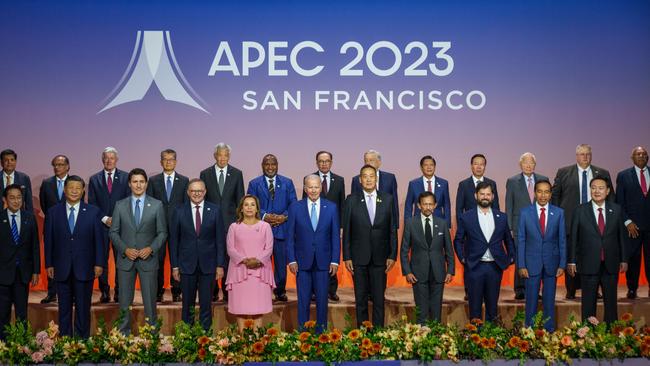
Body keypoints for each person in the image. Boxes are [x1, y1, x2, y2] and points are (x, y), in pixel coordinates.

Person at [44, 176, 104, 338]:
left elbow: (99, 240)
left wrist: (99, 263)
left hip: (85, 267)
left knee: (83, 307)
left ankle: (82, 341)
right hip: (61, 267)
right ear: (64, 190)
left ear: (83, 190)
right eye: (71, 187)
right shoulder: (53, 212)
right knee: (64, 307)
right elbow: (49, 240)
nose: (75, 191)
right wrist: (49, 264)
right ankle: (65, 340)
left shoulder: (93, 212)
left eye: (78, 188)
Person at [109, 168, 167, 334]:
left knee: (150, 301)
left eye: (141, 181)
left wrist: (151, 248)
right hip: (126, 261)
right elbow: (113, 232)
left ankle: (152, 335)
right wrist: (125, 249)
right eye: (135, 181)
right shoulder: (120, 205)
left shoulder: (156, 205)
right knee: (124, 302)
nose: (138, 185)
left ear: (146, 183)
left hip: (148, 260)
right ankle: (123, 335)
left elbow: (162, 232)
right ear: (129, 184)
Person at [552, 144, 613, 299]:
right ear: (576, 156)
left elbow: (611, 198)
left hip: (596, 222)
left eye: (588, 154)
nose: (585, 157)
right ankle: (571, 289)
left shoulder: (602, 173)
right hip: (570, 221)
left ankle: (595, 289)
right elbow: (555, 197)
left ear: (591, 155)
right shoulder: (564, 172)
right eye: (581, 154)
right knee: (571, 254)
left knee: (595, 254)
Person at [343, 164, 397, 327]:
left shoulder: (387, 199)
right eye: (365, 176)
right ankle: (363, 336)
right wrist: (347, 256)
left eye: (371, 176)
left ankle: (379, 335)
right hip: (359, 258)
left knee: (379, 300)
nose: (368, 179)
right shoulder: (351, 200)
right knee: (360, 301)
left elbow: (392, 230)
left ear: (376, 178)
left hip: (381, 258)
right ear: (360, 180)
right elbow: (347, 231)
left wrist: (392, 255)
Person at [568, 176, 627, 324]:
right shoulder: (580, 210)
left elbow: (622, 237)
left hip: (611, 264)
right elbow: (574, 238)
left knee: (611, 304)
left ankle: (611, 335)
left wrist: (624, 259)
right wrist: (572, 261)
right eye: (593, 187)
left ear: (607, 191)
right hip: (588, 264)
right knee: (588, 304)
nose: (596, 191)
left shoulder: (617, 210)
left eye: (601, 188)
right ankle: (588, 336)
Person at [454, 181, 514, 323]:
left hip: (495, 267)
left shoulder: (502, 217)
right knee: (474, 308)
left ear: (493, 196)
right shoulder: (466, 217)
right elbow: (458, 240)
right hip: (475, 267)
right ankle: (476, 341)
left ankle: (490, 340)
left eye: (488, 194)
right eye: (482, 194)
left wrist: (511, 257)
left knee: (492, 307)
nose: (485, 197)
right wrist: (463, 258)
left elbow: (508, 240)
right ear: (476, 196)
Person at [169, 179, 225, 331]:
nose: (197, 194)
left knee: (206, 304)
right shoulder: (179, 211)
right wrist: (175, 266)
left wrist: (220, 265)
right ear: (188, 192)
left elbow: (220, 240)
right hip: (186, 265)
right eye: (193, 191)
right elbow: (174, 241)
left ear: (205, 192)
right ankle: (187, 338)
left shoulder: (215, 210)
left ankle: (205, 339)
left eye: (200, 190)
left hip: (209, 265)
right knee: (187, 304)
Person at [287, 175, 340, 331]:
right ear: (305, 189)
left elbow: (335, 236)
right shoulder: (295, 207)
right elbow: (290, 236)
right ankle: (302, 336)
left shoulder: (331, 207)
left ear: (321, 188)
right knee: (303, 301)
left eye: (316, 187)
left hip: (324, 262)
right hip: (302, 263)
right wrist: (291, 260)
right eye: (310, 187)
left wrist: (335, 260)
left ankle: (321, 335)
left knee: (322, 301)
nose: (313, 190)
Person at [517, 179, 566, 331]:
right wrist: (522, 264)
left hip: (551, 263)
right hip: (531, 263)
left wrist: (562, 264)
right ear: (535, 193)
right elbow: (521, 240)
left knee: (549, 300)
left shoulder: (559, 213)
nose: (543, 195)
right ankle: (530, 331)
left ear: (550, 194)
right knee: (531, 300)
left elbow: (562, 239)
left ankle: (549, 331)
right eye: (540, 191)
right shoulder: (525, 212)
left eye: (546, 192)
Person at [246, 154, 297, 302]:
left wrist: (284, 217)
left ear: (277, 165)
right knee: (260, 263)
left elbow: (293, 204)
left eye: (273, 164)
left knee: (281, 264)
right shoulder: (254, 183)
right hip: (260, 230)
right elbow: (250, 203)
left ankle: (280, 291)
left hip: (282, 229)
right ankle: (260, 290)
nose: (270, 167)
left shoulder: (287, 183)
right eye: (267, 164)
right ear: (262, 166)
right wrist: (265, 216)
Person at [199, 143, 244, 303]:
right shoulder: (205, 174)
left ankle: (226, 292)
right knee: (210, 257)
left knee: (227, 258)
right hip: (209, 224)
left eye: (226, 155)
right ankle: (211, 291)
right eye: (220, 155)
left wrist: (240, 223)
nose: (223, 158)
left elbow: (240, 200)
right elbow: (202, 200)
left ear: (229, 156)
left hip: (230, 224)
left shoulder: (237, 174)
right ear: (215, 156)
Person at [400, 191, 454, 324]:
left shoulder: (442, 223)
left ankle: (436, 338)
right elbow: (404, 250)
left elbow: (449, 250)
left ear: (435, 205)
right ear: (419, 206)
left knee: (436, 310)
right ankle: (422, 339)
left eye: (431, 204)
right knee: (421, 311)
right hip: (418, 273)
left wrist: (450, 270)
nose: (428, 207)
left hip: (438, 272)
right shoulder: (411, 223)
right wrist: (407, 271)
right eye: (425, 204)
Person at [225, 195, 275, 331]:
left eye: (252, 204)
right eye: (246, 205)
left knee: (258, 308)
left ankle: (256, 340)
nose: (249, 207)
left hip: (260, 273)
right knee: (240, 308)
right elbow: (230, 248)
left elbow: (269, 248)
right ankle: (242, 340)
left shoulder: (265, 226)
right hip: (239, 272)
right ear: (241, 209)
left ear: (257, 208)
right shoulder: (234, 227)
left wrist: (257, 260)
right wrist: (244, 260)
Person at [88, 147, 130, 303]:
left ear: (116, 159)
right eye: (106, 158)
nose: (109, 160)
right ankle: (104, 292)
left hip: (121, 226)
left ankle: (119, 292)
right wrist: (105, 218)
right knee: (101, 259)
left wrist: (118, 219)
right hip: (101, 225)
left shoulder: (126, 177)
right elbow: (92, 203)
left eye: (112, 158)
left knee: (121, 260)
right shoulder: (94, 179)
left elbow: (128, 201)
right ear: (102, 159)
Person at [146, 149, 189, 302]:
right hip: (158, 228)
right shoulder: (153, 180)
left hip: (178, 227)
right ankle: (158, 291)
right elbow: (149, 204)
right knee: (158, 259)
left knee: (177, 259)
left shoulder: (184, 181)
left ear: (176, 162)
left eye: (171, 159)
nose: (168, 162)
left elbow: (186, 206)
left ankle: (177, 290)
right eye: (165, 159)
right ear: (161, 162)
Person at [455, 153, 500, 300]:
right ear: (471, 166)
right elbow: (459, 208)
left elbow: (497, 207)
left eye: (482, 164)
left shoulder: (492, 183)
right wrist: (462, 226)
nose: (479, 166)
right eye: (476, 163)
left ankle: (487, 290)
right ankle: (469, 291)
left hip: (489, 229)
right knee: (470, 261)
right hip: (470, 231)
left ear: (485, 166)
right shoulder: (463, 184)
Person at [505, 152, 548, 300]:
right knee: (520, 257)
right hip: (519, 226)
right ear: (520, 165)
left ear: (535, 165)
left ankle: (537, 289)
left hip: (539, 226)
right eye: (525, 163)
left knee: (538, 257)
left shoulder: (543, 180)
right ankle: (520, 289)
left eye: (531, 163)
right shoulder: (512, 181)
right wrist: (509, 227)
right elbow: (509, 205)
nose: (528, 165)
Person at [303, 150, 345, 302]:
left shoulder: (339, 180)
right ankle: (314, 291)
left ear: (331, 162)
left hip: (332, 227)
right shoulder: (309, 179)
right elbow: (303, 206)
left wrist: (341, 226)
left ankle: (331, 291)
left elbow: (341, 205)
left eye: (327, 161)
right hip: (313, 228)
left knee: (331, 258)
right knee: (314, 258)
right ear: (317, 163)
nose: (324, 163)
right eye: (321, 161)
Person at [0, 184, 39, 340]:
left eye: (19, 197)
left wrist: (36, 271)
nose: (16, 201)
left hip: (23, 273)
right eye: (12, 197)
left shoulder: (29, 218)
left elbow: (35, 246)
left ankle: (21, 345)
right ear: (5, 199)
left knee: (22, 312)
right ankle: (3, 345)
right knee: (3, 312)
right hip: (3, 273)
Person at [615, 146, 650, 299]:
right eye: (638, 154)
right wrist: (627, 221)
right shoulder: (623, 176)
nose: (641, 156)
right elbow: (619, 203)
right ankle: (632, 288)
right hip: (632, 226)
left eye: (644, 154)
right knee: (633, 259)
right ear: (632, 157)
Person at [38, 154, 70, 304]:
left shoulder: (74, 182)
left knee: (70, 259)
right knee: (51, 259)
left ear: (67, 167)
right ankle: (52, 292)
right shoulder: (46, 183)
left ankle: (71, 292)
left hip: (70, 229)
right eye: (55, 165)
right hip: (51, 228)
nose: (57, 167)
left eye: (60, 164)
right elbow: (44, 205)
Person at [351, 150, 399, 228]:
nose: (368, 163)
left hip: (385, 224)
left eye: (371, 160)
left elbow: (394, 203)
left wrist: (395, 224)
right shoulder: (356, 180)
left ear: (379, 162)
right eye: (366, 161)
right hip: (362, 225)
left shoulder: (390, 178)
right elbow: (353, 205)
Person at [404, 155, 452, 227]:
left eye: (431, 165)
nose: (429, 167)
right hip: (418, 223)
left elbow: (446, 205)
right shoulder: (413, 184)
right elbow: (408, 205)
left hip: (439, 223)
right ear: (421, 167)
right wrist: (408, 225)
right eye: (426, 165)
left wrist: (447, 225)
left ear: (435, 167)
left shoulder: (444, 183)